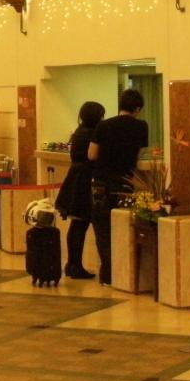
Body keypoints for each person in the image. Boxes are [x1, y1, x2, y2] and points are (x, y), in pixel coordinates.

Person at [88, 88, 149, 285]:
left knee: (103, 230)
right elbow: (139, 154)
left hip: (102, 183)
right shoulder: (141, 127)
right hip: (125, 183)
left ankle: (107, 275)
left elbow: (92, 155)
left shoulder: (104, 125)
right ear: (137, 109)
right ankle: (124, 276)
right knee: (123, 228)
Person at [53, 101, 105, 280]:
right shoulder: (92, 133)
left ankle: (73, 264)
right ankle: (75, 265)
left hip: (75, 178)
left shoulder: (79, 132)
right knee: (81, 224)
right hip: (84, 180)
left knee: (77, 224)